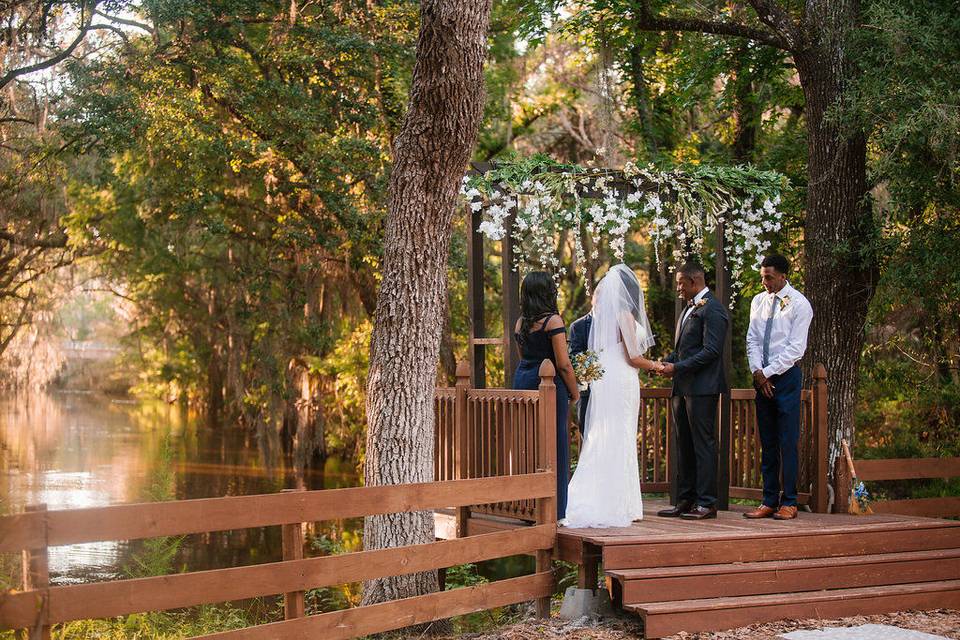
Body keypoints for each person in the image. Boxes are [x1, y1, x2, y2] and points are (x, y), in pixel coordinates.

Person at [561, 264, 661, 528]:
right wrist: (657, 366)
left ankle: (617, 500)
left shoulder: (603, 321)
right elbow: (633, 357)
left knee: (607, 436)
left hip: (607, 378)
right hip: (622, 379)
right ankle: (621, 504)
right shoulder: (624, 315)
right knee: (622, 436)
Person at [657, 262, 729, 521]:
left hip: (702, 388)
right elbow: (684, 350)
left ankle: (707, 502)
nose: (678, 288)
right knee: (683, 445)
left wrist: (676, 367)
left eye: (680, 283)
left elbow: (711, 351)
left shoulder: (713, 310)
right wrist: (665, 362)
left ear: (694, 282)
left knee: (703, 445)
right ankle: (685, 500)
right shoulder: (689, 309)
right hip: (682, 387)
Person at [744, 255, 813, 521]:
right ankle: (768, 500)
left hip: (785, 378)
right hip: (762, 380)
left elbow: (797, 348)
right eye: (762, 276)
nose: (764, 282)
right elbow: (752, 338)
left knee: (787, 441)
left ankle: (790, 501)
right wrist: (757, 373)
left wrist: (769, 373)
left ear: (783, 276)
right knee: (768, 442)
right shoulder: (758, 301)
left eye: (769, 277)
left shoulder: (799, 304)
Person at [513, 271, 579, 520]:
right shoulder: (553, 321)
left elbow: (524, 356)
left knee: (527, 444)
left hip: (523, 379)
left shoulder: (520, 322)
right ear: (547, 292)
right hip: (549, 383)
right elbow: (563, 364)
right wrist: (575, 392)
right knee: (555, 444)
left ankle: (527, 507)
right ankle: (555, 510)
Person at [568, 311, 592, 438]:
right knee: (587, 435)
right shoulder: (578, 326)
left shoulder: (619, 324)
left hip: (613, 392)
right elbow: (575, 357)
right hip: (587, 391)